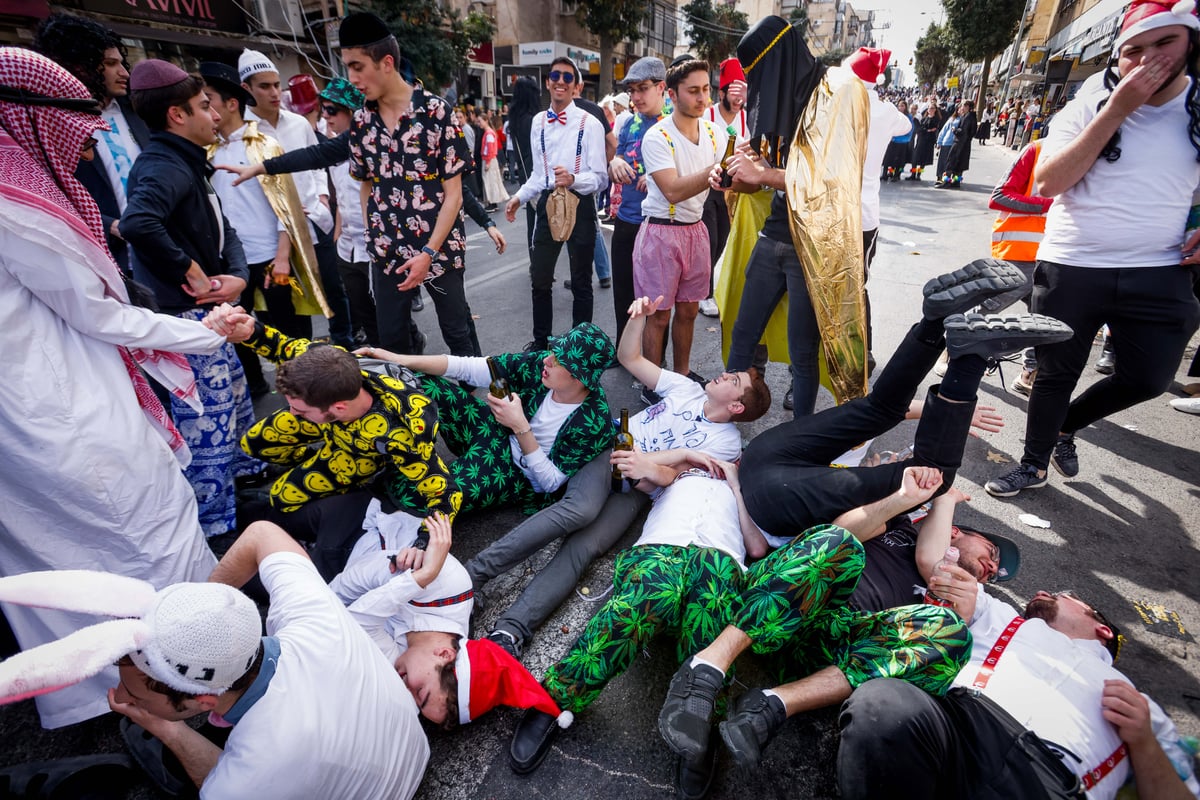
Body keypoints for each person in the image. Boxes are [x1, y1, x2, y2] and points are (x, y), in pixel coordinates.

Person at [0, 48, 243, 729]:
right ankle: (180, 668)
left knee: (66, 552)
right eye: (78, 129)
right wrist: (207, 331)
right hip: (58, 411)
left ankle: (118, 684)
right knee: (136, 528)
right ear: (28, 119)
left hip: (35, 411)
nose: (84, 149)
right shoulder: (14, 206)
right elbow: (94, 310)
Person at [0, 520, 430, 798]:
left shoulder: (256, 771)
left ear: (204, 702)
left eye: (136, 697)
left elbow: (217, 786)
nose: (120, 697)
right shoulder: (315, 615)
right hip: (411, 755)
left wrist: (161, 726)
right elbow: (263, 534)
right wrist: (197, 613)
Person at [466, 295, 771, 661]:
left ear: (736, 406)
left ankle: (511, 629)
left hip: (640, 488)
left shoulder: (725, 443)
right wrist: (638, 319)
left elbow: (675, 478)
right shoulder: (687, 388)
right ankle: (474, 574)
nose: (723, 373)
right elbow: (630, 359)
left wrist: (650, 467)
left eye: (733, 380)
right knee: (579, 510)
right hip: (608, 449)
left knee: (585, 548)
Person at [985, 0, 1200, 497]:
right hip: (1072, 264)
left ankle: (1067, 425)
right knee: (1055, 372)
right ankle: (1034, 463)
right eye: (1133, 50)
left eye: (1165, 43)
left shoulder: (1196, 107)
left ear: (1189, 42)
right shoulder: (1089, 102)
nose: (1149, 60)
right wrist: (1118, 109)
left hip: (1159, 268)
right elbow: (1047, 181)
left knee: (1148, 378)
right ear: (1116, 57)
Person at [656, 484, 1015, 773]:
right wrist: (937, 498)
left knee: (954, 633)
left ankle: (772, 706)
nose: (992, 567)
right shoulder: (900, 524)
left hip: (829, 650)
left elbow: (919, 656)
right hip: (780, 602)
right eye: (992, 551)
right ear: (955, 531)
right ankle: (706, 670)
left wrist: (961, 614)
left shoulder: (963, 593)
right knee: (840, 543)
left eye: (995, 571)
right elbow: (843, 530)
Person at [217, 13, 477, 360]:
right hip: (388, 254)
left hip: (439, 250)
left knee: (457, 332)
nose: (352, 79)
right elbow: (337, 164)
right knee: (392, 339)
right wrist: (262, 166)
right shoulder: (364, 122)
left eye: (357, 67)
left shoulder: (436, 114)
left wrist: (428, 253)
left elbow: (454, 194)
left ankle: (477, 403)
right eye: (347, 68)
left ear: (386, 63)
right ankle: (411, 404)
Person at [837, 588, 1200, 800]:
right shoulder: (1004, 616)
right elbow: (942, 565)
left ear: (1101, 627)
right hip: (960, 730)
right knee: (883, 703)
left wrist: (1145, 743)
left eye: (1063, 595)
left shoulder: (1144, 707)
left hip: (1045, 783)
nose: (1043, 593)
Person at [206, 310, 463, 580]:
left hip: (356, 451)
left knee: (283, 496)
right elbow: (282, 346)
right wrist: (251, 331)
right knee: (255, 441)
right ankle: (310, 460)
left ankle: (347, 479)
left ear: (338, 407)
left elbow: (445, 493)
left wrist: (423, 542)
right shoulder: (329, 361)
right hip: (328, 422)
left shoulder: (400, 434)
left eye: (298, 409)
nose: (290, 413)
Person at [121, 58, 260, 538]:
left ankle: (241, 494)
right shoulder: (161, 164)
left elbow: (226, 232)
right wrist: (193, 273)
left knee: (234, 412)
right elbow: (138, 223)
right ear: (177, 116)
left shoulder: (184, 161)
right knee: (208, 430)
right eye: (205, 107)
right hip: (186, 325)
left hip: (211, 316)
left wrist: (237, 277)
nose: (216, 115)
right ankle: (217, 530)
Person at [719, 16, 870, 418]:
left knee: (804, 355)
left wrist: (764, 172)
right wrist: (739, 174)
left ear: (778, 59)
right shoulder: (784, 97)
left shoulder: (841, 89)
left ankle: (799, 444)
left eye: (759, 72)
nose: (757, 84)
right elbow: (765, 180)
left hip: (814, 251)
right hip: (773, 236)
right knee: (742, 338)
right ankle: (723, 433)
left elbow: (834, 180)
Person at [327, 511, 572, 731]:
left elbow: (353, 623)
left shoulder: (410, 665)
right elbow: (346, 586)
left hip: (326, 571)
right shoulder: (446, 583)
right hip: (355, 529)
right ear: (445, 654)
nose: (406, 693)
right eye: (420, 693)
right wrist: (423, 576)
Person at [364, 322, 614, 515]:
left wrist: (520, 426)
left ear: (578, 377)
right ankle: (384, 449)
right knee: (421, 384)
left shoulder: (593, 420)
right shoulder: (541, 364)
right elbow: (472, 367)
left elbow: (548, 483)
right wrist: (398, 359)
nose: (547, 359)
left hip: (514, 470)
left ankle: (384, 485)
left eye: (558, 360)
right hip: (495, 428)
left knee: (429, 494)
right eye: (553, 351)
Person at [202, 61, 330, 347]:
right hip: (232, 260)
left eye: (208, 103)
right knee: (235, 328)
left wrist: (282, 256)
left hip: (271, 257)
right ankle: (256, 386)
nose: (206, 112)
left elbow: (287, 204)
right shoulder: (205, 152)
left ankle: (305, 384)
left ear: (232, 103)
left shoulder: (265, 145)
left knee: (292, 330)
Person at [238, 49, 352, 350]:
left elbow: (316, 161)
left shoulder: (299, 123)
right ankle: (298, 356)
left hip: (314, 217)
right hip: (273, 232)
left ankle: (345, 345)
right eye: (265, 86)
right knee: (287, 298)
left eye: (277, 85)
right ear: (247, 89)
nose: (274, 92)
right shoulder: (243, 133)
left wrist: (323, 197)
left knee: (332, 285)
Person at [33, 13, 149, 276]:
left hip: (158, 256)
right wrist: (110, 225)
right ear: (80, 66)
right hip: (102, 260)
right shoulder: (52, 124)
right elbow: (54, 193)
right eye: (110, 64)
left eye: (122, 62)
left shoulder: (137, 111)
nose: (124, 73)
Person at [504, 56, 607, 352]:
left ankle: (579, 348)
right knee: (540, 278)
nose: (560, 81)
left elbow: (599, 178)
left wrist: (574, 178)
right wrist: (518, 197)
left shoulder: (590, 123)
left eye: (567, 77)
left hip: (581, 204)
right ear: (548, 82)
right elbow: (539, 175)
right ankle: (541, 343)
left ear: (576, 86)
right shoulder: (538, 122)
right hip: (548, 203)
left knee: (581, 282)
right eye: (555, 76)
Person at [636, 58, 723, 382]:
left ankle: (682, 375)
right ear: (672, 94)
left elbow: (728, 183)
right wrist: (717, 172)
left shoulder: (715, 134)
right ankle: (653, 382)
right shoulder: (657, 136)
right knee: (659, 316)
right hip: (661, 232)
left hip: (696, 231)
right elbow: (672, 190)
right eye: (693, 91)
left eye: (706, 89)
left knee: (688, 312)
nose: (703, 98)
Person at [609, 56, 669, 348]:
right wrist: (615, 163)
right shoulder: (628, 124)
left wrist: (657, 179)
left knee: (656, 298)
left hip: (659, 224)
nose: (635, 97)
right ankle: (624, 350)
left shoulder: (675, 124)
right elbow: (618, 156)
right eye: (632, 90)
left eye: (642, 88)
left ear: (662, 88)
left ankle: (655, 358)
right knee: (623, 290)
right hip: (627, 219)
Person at [989, 139, 1053, 395]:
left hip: (1061, 256)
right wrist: (1051, 207)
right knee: (987, 306)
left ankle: (1029, 372)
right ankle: (951, 350)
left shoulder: (1106, 154)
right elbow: (999, 197)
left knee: (1045, 319)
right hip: (1020, 253)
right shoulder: (1038, 149)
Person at [318, 76, 377, 346]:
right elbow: (342, 197)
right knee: (362, 308)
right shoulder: (333, 149)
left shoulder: (370, 146)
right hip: (347, 247)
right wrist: (338, 231)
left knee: (387, 312)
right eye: (323, 109)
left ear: (350, 111)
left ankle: (407, 348)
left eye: (332, 110)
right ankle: (379, 355)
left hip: (374, 245)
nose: (325, 116)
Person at [699, 58, 748, 319]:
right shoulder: (707, 115)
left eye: (742, 91)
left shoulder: (744, 117)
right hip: (707, 186)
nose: (739, 98)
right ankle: (705, 294)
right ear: (722, 92)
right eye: (734, 91)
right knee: (711, 240)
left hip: (731, 190)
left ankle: (703, 286)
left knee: (722, 242)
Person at [939, 100, 977, 188]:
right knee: (959, 165)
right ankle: (956, 182)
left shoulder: (968, 117)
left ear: (968, 107)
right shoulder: (971, 117)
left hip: (959, 143)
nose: (961, 108)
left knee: (951, 162)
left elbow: (963, 131)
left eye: (963, 106)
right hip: (965, 144)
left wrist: (954, 130)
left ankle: (946, 181)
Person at [907, 95, 941, 181]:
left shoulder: (936, 119)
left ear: (935, 110)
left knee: (923, 160)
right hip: (921, 139)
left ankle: (919, 174)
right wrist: (927, 130)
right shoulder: (924, 117)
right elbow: (922, 128)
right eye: (929, 108)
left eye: (932, 108)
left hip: (928, 141)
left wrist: (926, 130)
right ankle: (913, 173)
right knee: (915, 157)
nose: (930, 109)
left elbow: (934, 129)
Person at [882, 98, 914, 182]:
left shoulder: (908, 116)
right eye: (899, 105)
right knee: (888, 158)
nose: (900, 107)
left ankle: (896, 174)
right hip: (893, 139)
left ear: (905, 107)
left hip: (902, 140)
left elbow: (911, 128)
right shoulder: (895, 115)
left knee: (899, 160)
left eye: (902, 106)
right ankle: (885, 174)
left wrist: (907, 137)